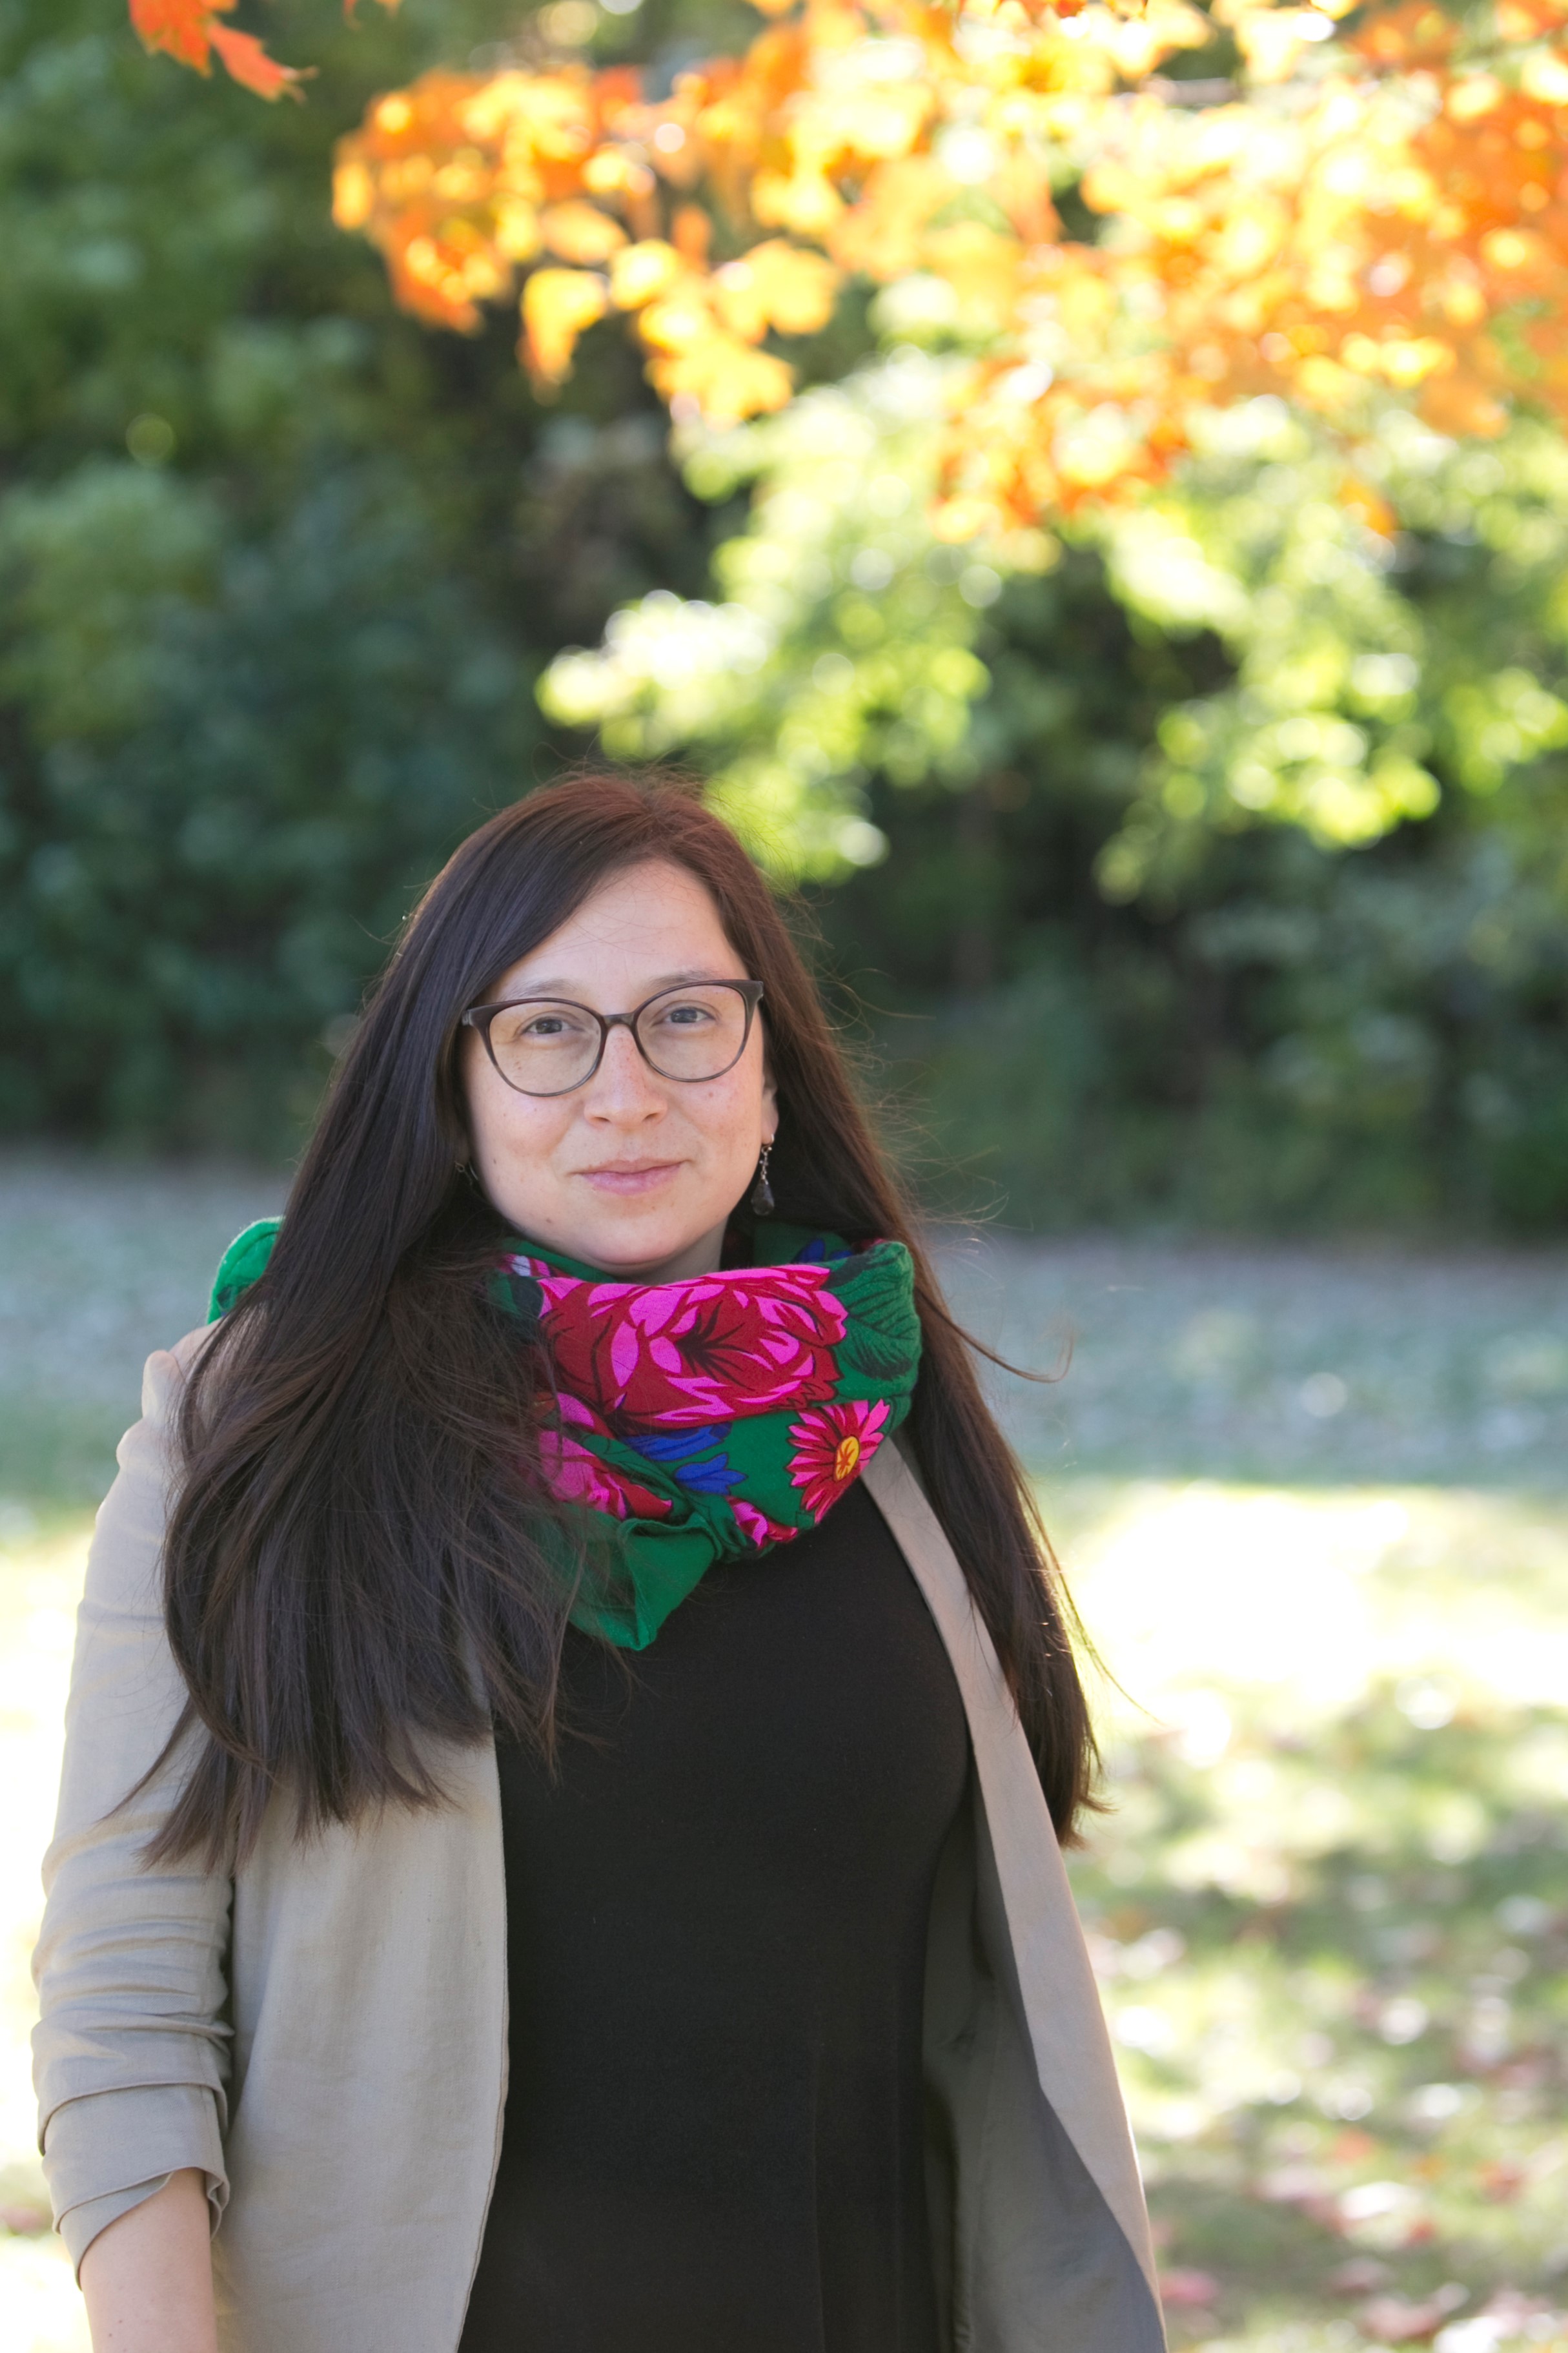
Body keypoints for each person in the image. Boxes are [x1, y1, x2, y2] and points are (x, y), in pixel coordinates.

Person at [33, 772, 1165, 2353]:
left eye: (686, 1019)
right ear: (455, 1088)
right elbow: (129, 2000)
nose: (626, 1090)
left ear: (770, 1075)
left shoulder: (877, 1422)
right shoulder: (256, 1426)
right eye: (548, 1029)